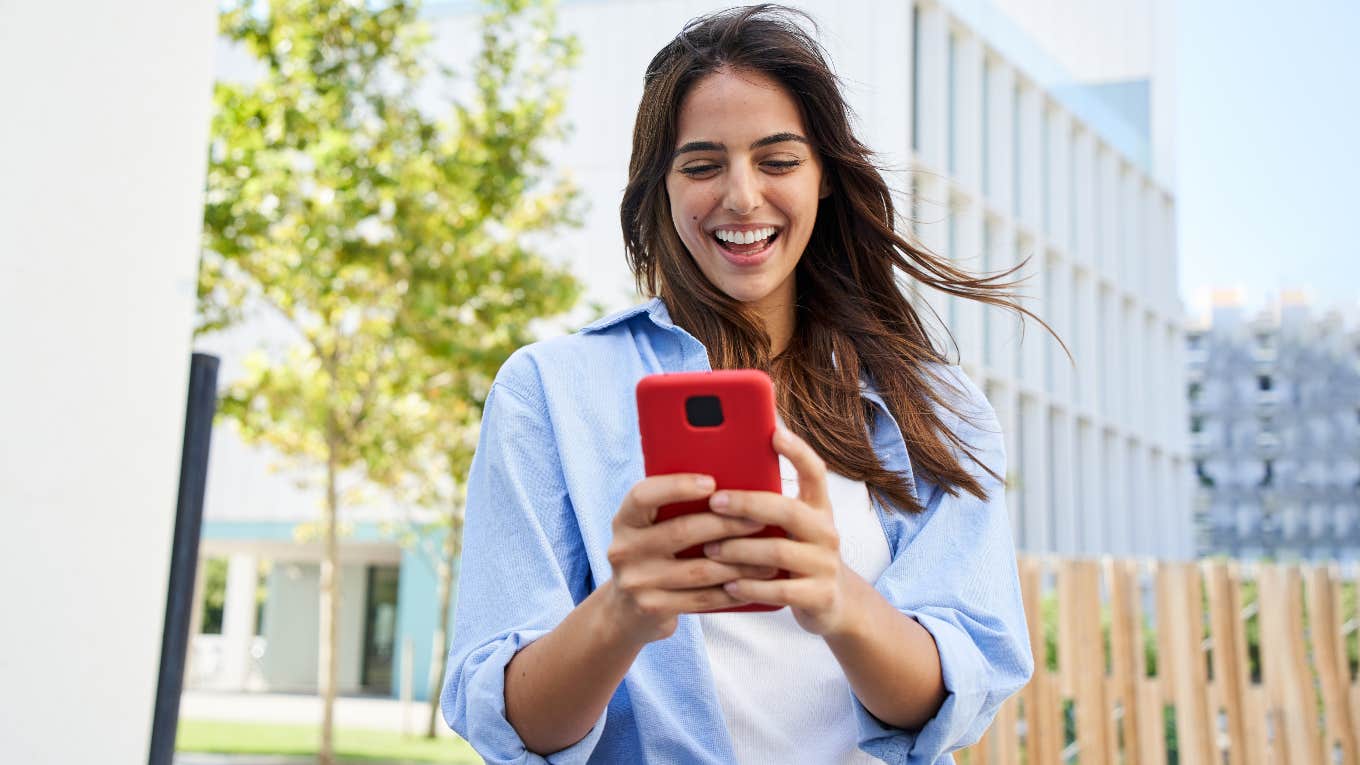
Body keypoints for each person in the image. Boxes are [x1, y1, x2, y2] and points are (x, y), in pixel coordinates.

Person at [442, 5, 1048, 763]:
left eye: (778, 160)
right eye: (701, 165)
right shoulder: (548, 392)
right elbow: (514, 726)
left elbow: (950, 705)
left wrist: (835, 594)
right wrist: (626, 606)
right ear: (658, 187)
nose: (741, 196)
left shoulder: (932, 406)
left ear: (824, 176)